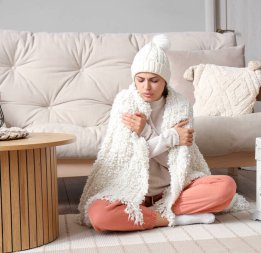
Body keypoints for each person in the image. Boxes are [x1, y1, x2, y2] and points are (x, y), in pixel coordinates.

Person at [78, 34, 248, 232]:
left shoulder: (181, 106)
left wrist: (147, 135)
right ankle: (171, 218)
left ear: (165, 81)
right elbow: (130, 158)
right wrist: (170, 137)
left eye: (154, 80)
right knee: (99, 216)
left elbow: (176, 161)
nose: (146, 87)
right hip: (130, 192)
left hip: (173, 190)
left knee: (225, 187)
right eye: (140, 80)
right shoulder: (125, 103)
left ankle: (153, 214)